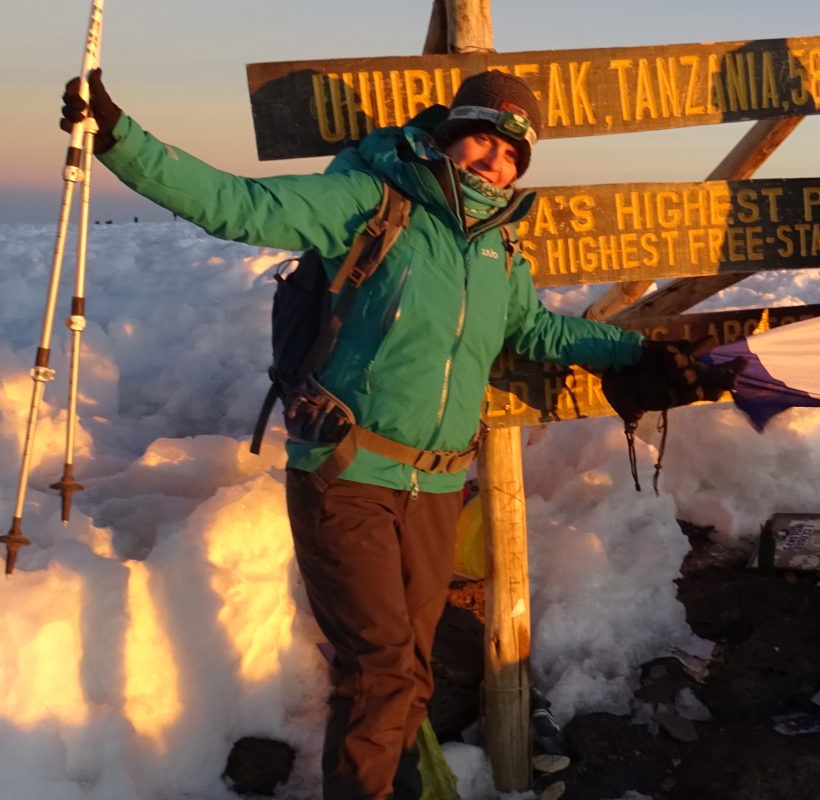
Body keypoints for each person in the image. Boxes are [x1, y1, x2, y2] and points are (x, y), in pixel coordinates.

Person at [61, 68, 724, 799]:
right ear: (448, 133)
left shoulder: (496, 249)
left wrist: (635, 355)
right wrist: (120, 139)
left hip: (437, 488)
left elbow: (531, 328)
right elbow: (236, 204)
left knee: (408, 667)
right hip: (348, 476)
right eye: (482, 137)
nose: (493, 160)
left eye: (512, 153)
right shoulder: (374, 200)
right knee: (379, 669)